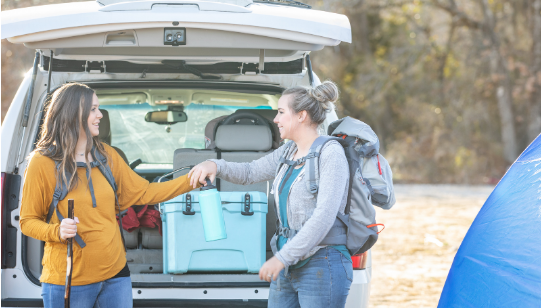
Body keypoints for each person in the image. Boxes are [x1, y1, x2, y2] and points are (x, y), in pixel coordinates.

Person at [19, 83, 197, 308]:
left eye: (98, 109)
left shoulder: (106, 156)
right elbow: (27, 222)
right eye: (93, 109)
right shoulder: (42, 163)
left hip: (116, 275)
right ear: (75, 113)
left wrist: (193, 180)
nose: (100, 115)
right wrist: (56, 230)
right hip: (70, 280)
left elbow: (146, 192)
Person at [188, 81, 353, 308]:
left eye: (281, 112)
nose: (275, 119)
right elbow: (250, 172)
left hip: (322, 263)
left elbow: (323, 218)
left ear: (301, 116)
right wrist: (215, 165)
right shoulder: (288, 151)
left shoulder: (331, 154)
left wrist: (281, 259)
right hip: (287, 263)